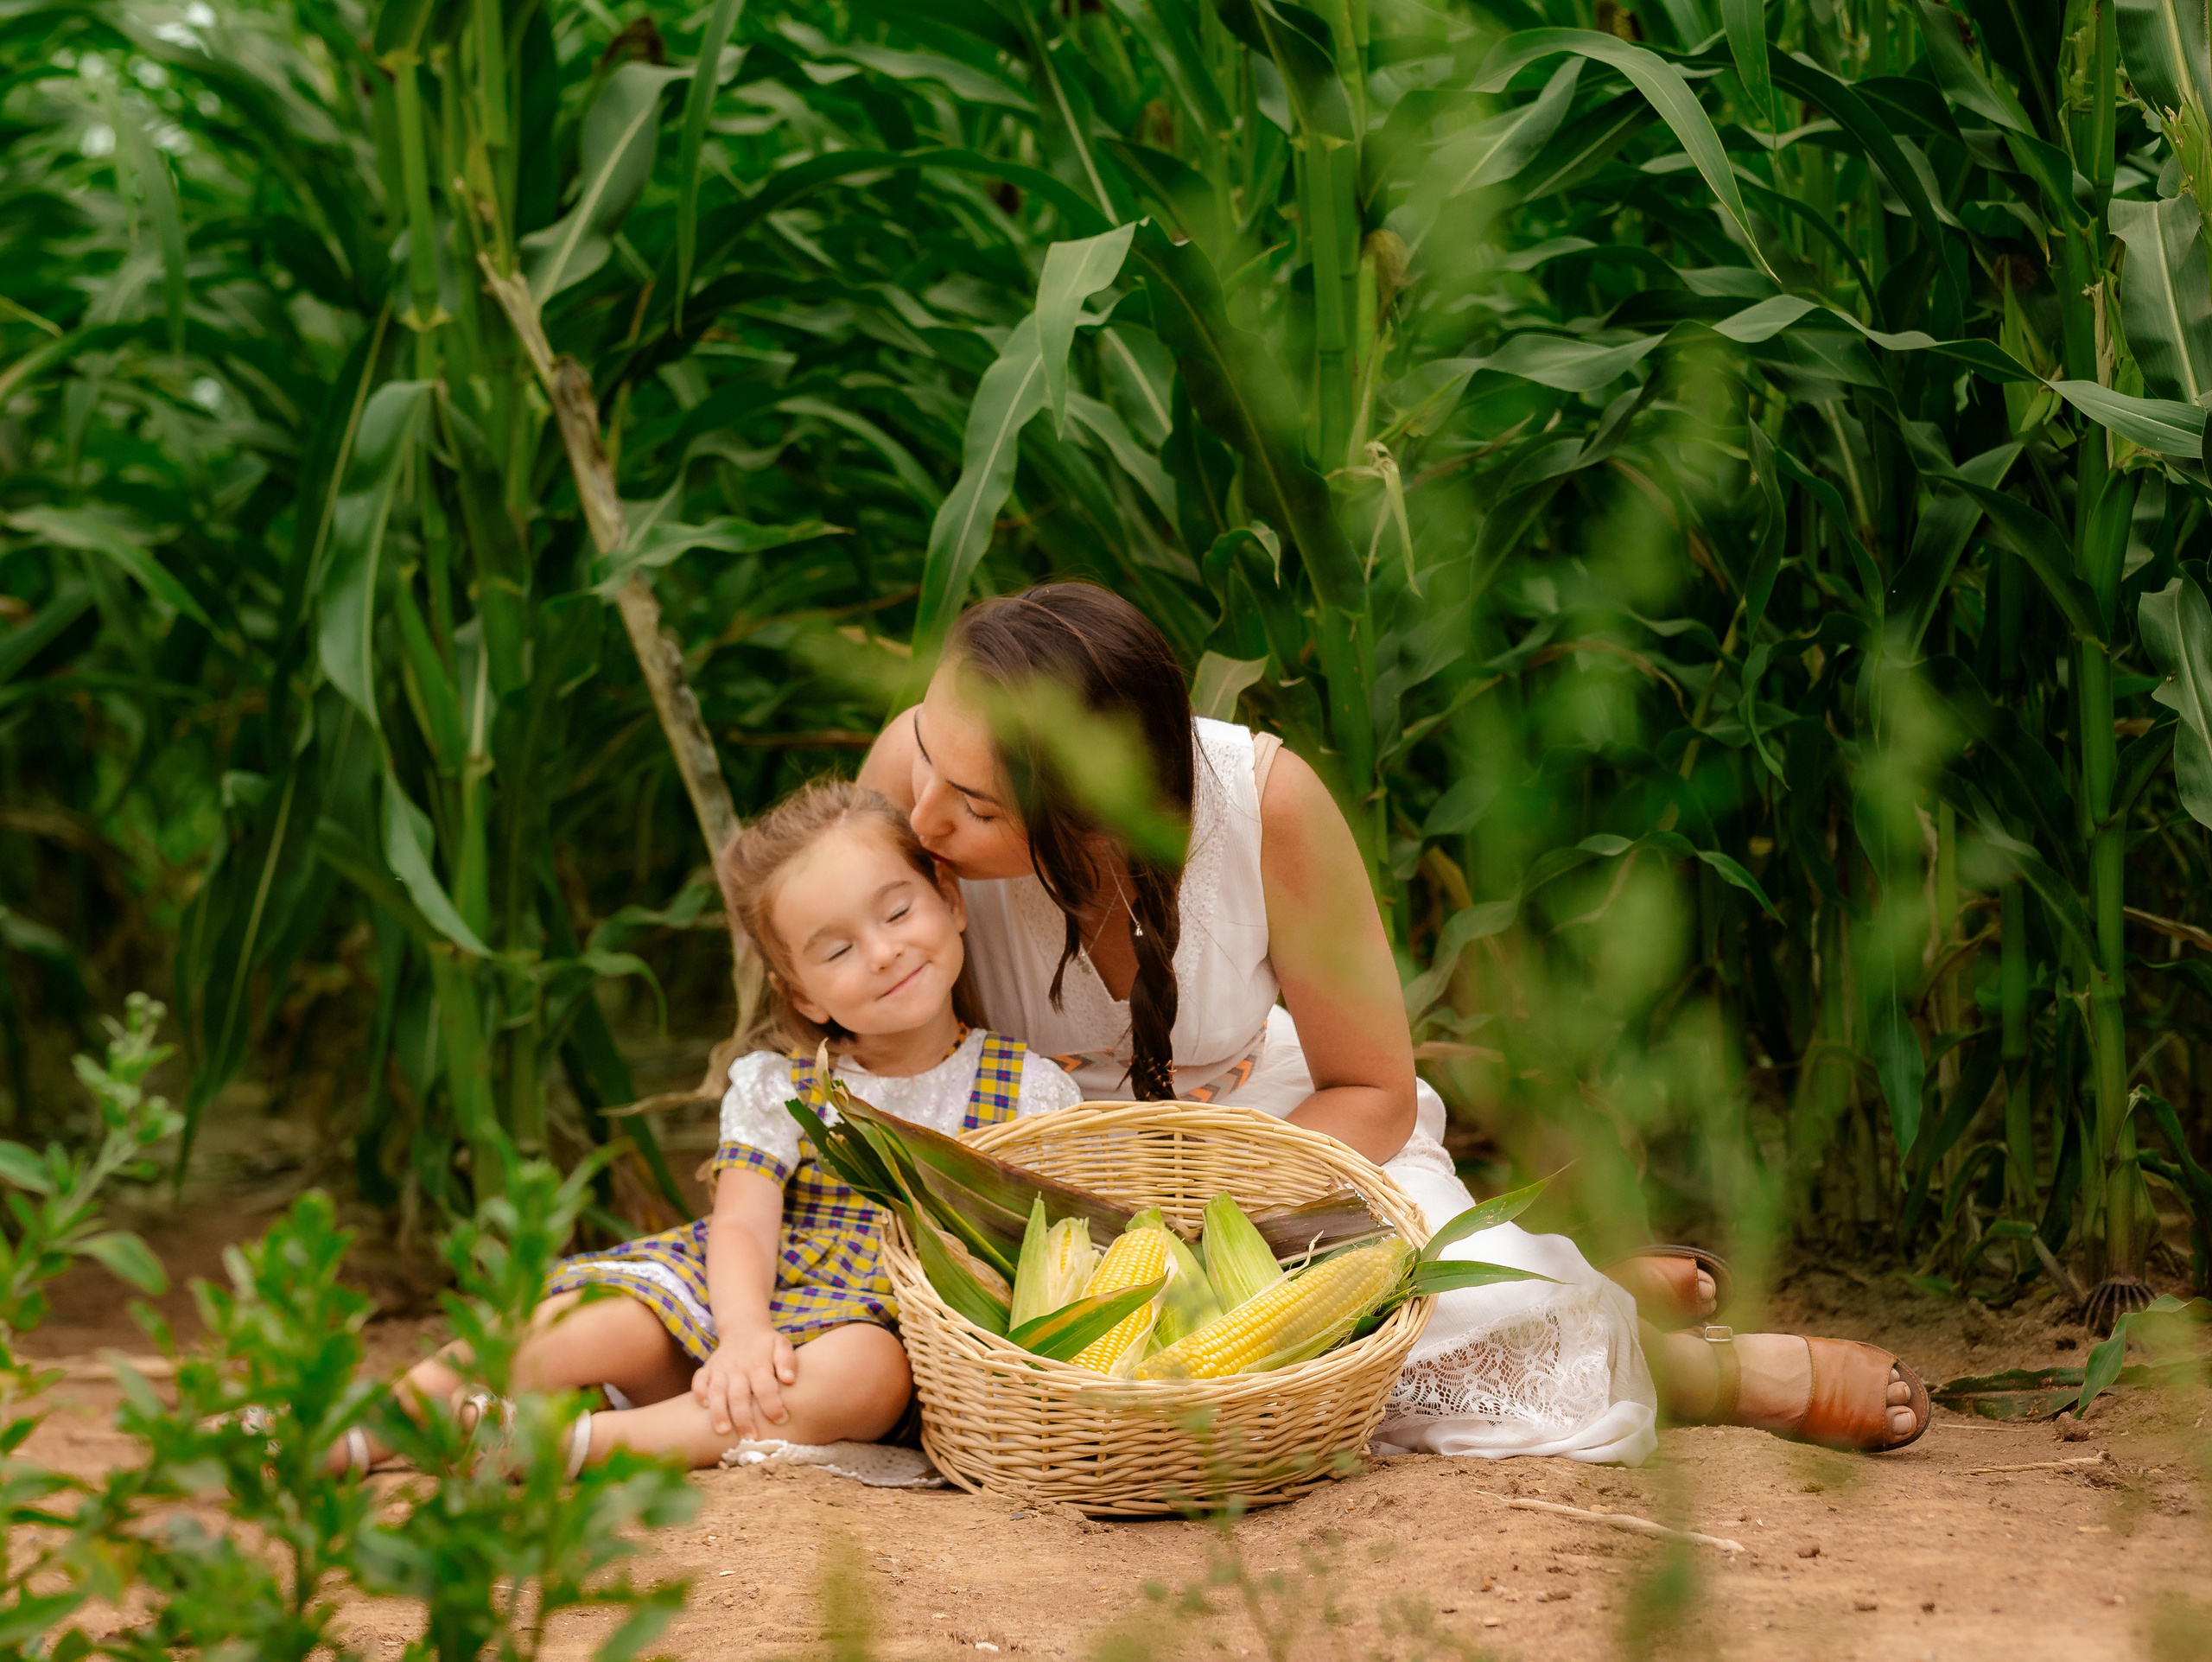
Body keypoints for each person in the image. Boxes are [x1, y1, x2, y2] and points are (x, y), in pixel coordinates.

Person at [858, 583, 1929, 1461]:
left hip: (1277, 1141)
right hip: (1023, 1166)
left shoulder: (1264, 806)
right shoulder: (917, 777)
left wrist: (1206, 1224)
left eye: (980, 808)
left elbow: (1367, 1085)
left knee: (1459, 1323)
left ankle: (1697, 1367)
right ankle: (1597, 1279)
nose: (921, 821)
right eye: (926, 762)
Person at [339, 779, 1082, 1477]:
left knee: (872, 1371)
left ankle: (569, 1445)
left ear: (949, 900)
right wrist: (744, 1332)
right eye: (837, 949)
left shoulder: (1027, 1092)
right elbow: (744, 1227)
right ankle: (371, 1427)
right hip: (726, 1313)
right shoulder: (784, 1086)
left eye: (897, 913)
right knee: (600, 1321)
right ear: (804, 993)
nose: (884, 952)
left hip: (848, 1343)